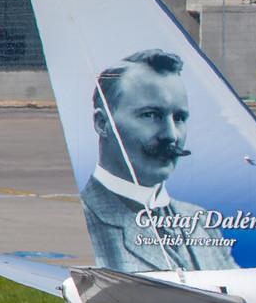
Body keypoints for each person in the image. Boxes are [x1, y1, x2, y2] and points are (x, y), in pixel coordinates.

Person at [80, 48, 239, 272]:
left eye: (179, 118)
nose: (171, 135)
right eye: (150, 115)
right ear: (102, 123)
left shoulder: (201, 222)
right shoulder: (88, 223)